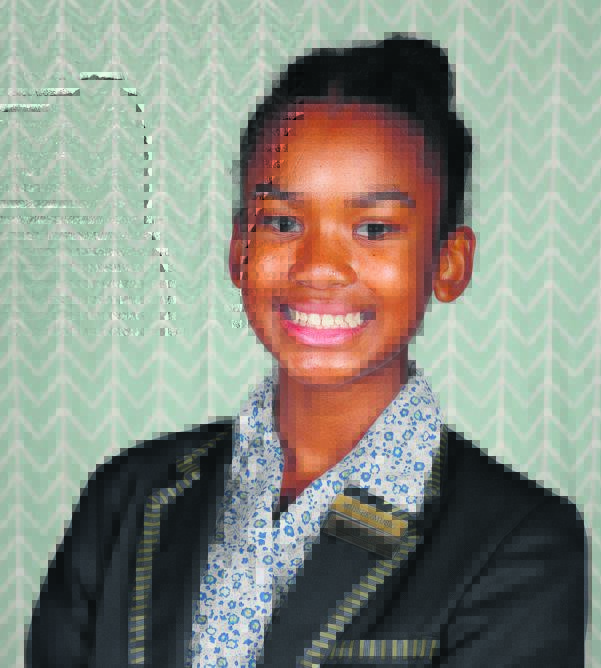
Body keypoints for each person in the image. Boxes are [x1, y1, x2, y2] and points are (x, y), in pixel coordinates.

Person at [27, 34, 587, 667]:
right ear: (240, 249)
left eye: (373, 228)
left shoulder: (517, 543)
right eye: (282, 222)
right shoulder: (127, 499)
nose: (319, 267)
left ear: (448, 263)